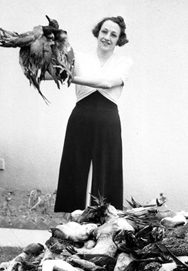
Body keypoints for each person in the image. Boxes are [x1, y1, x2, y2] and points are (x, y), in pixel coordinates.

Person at [53, 16, 133, 213]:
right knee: (74, 166)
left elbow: (106, 83)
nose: (107, 37)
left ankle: (103, 219)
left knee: (107, 170)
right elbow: (52, 74)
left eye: (113, 35)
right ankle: (71, 221)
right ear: (98, 32)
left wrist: (71, 78)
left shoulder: (124, 62)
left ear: (119, 40)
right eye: (104, 31)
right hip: (80, 116)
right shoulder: (79, 58)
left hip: (108, 120)